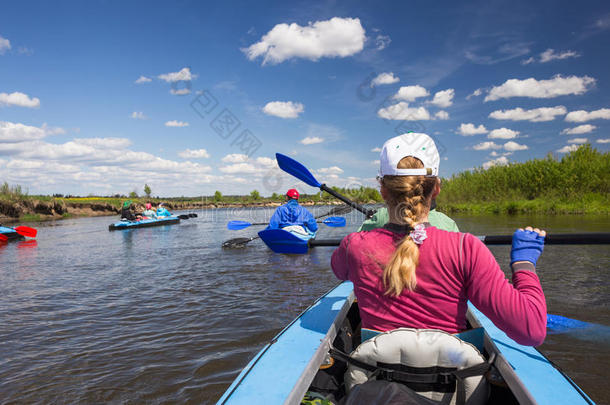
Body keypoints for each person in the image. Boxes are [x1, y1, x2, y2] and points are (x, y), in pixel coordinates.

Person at [331, 133, 547, 346]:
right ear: (436, 189)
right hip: (452, 378)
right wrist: (523, 263)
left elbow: (340, 271)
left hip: (375, 373)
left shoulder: (354, 245)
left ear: (383, 191)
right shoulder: (467, 248)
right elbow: (532, 332)